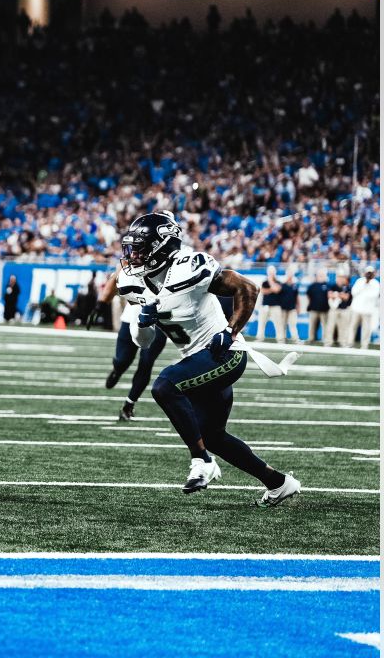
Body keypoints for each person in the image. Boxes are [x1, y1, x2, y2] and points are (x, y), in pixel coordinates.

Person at [117, 212, 301, 506]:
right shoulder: (130, 282)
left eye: (141, 246)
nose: (133, 254)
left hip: (223, 354)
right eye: (132, 246)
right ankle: (279, 483)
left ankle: (202, 461)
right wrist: (143, 323)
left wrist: (230, 330)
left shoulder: (190, 268)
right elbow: (145, 343)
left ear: (162, 246)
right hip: (196, 362)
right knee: (213, 435)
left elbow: (247, 288)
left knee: (164, 386)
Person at [94, 268, 168, 422]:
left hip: (160, 319)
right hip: (132, 315)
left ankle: (129, 404)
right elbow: (116, 278)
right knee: (122, 360)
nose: (134, 253)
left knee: (146, 362)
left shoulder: (174, 260)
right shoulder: (133, 258)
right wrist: (101, 303)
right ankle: (117, 370)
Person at [350, 265, 380, 348]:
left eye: (371, 273)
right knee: (352, 327)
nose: (369, 275)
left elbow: (374, 295)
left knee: (366, 329)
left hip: (367, 310)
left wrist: (368, 285)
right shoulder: (360, 281)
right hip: (356, 308)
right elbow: (354, 292)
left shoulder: (376, 284)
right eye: (368, 273)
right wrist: (364, 284)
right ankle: (350, 343)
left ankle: (364, 345)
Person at [256, 265, 282, 340]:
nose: (271, 273)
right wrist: (272, 289)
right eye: (270, 272)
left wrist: (271, 281)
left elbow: (277, 290)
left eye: (272, 272)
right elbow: (263, 291)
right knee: (261, 324)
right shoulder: (264, 282)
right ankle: (260, 339)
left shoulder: (278, 282)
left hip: (275, 306)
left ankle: (280, 340)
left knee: (278, 325)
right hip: (265, 306)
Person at [304, 271, 330, 345]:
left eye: (322, 275)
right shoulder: (312, 285)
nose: (321, 277)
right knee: (312, 325)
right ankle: (311, 339)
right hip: (313, 309)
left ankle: (325, 339)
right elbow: (308, 295)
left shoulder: (327, 285)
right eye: (319, 275)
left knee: (325, 325)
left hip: (324, 310)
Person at [330, 273, 354, 347]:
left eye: (342, 278)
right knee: (331, 326)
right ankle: (328, 342)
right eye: (339, 278)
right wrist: (340, 295)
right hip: (335, 309)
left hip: (345, 309)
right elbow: (330, 295)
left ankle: (342, 342)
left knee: (343, 327)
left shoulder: (348, 287)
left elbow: (346, 297)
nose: (341, 279)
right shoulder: (334, 285)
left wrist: (337, 294)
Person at [277, 270, 300, 343]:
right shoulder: (282, 285)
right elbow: (278, 293)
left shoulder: (295, 285)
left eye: (291, 274)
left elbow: (297, 297)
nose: (290, 276)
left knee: (293, 324)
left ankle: (295, 339)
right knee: (282, 325)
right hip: (283, 308)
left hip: (292, 308)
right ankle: (281, 339)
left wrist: (298, 307)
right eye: (288, 274)